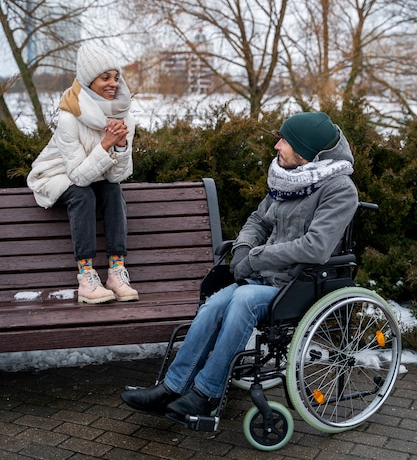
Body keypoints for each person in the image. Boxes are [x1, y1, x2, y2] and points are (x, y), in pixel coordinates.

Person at [121, 111, 358, 418]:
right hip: (266, 279)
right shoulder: (291, 179)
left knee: (242, 300)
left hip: (302, 283)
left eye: (284, 141)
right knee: (215, 303)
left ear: (306, 151)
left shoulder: (338, 190)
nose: (277, 146)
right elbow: (259, 219)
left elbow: (316, 247)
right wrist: (244, 248)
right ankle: (172, 387)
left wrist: (257, 258)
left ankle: (206, 394)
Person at [27, 42, 139, 304]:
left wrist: (121, 147)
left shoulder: (125, 118)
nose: (113, 83)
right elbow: (77, 177)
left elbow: (117, 176)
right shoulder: (70, 116)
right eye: (104, 78)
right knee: (82, 194)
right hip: (54, 175)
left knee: (112, 190)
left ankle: (115, 271)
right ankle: (86, 277)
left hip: (92, 174)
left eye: (115, 77)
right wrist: (106, 145)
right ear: (89, 81)